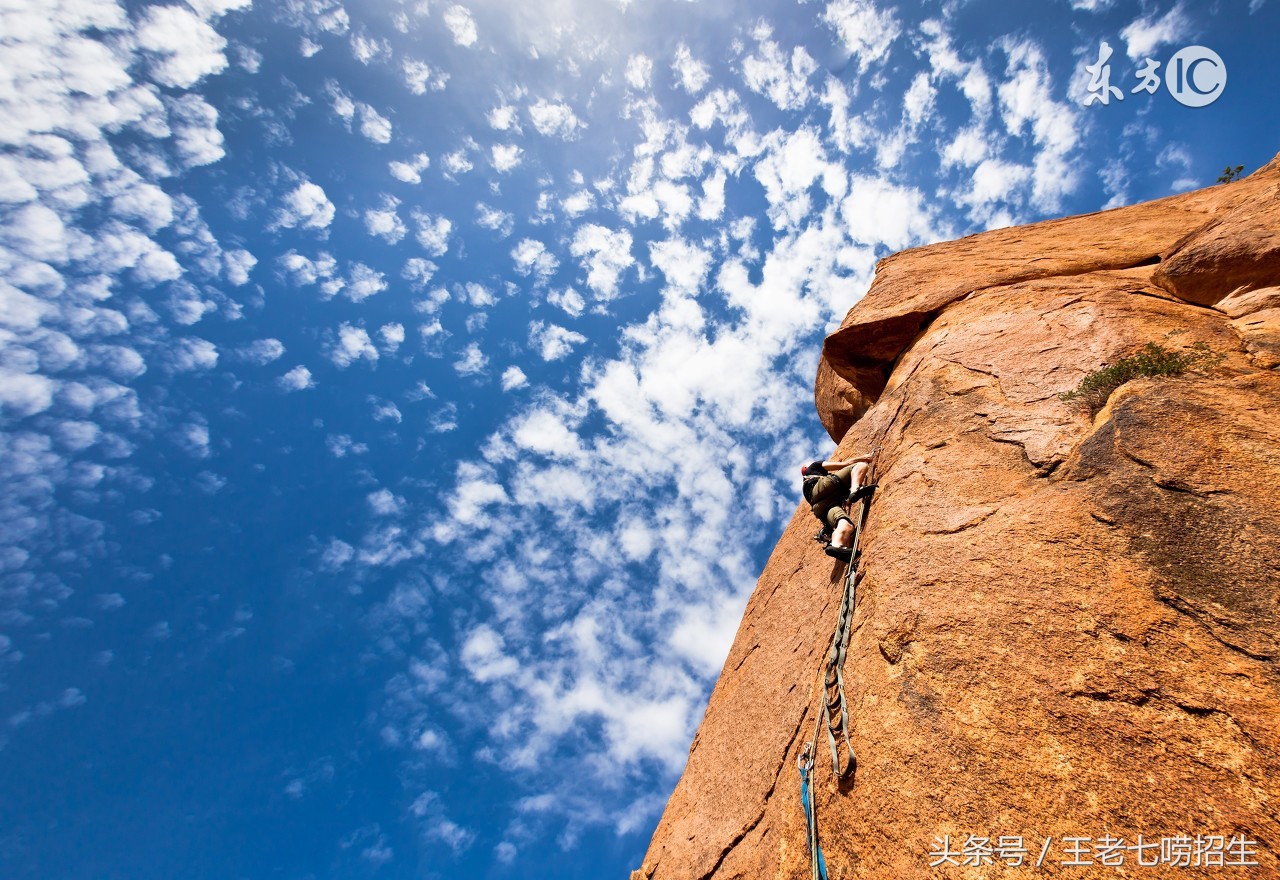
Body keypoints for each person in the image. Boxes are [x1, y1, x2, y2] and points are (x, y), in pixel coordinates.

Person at [801, 452, 876, 559]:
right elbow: (845, 464)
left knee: (846, 525)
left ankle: (836, 545)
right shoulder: (815, 466)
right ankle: (856, 489)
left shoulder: (806, 487)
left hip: (822, 507)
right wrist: (863, 458)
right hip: (823, 489)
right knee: (860, 465)